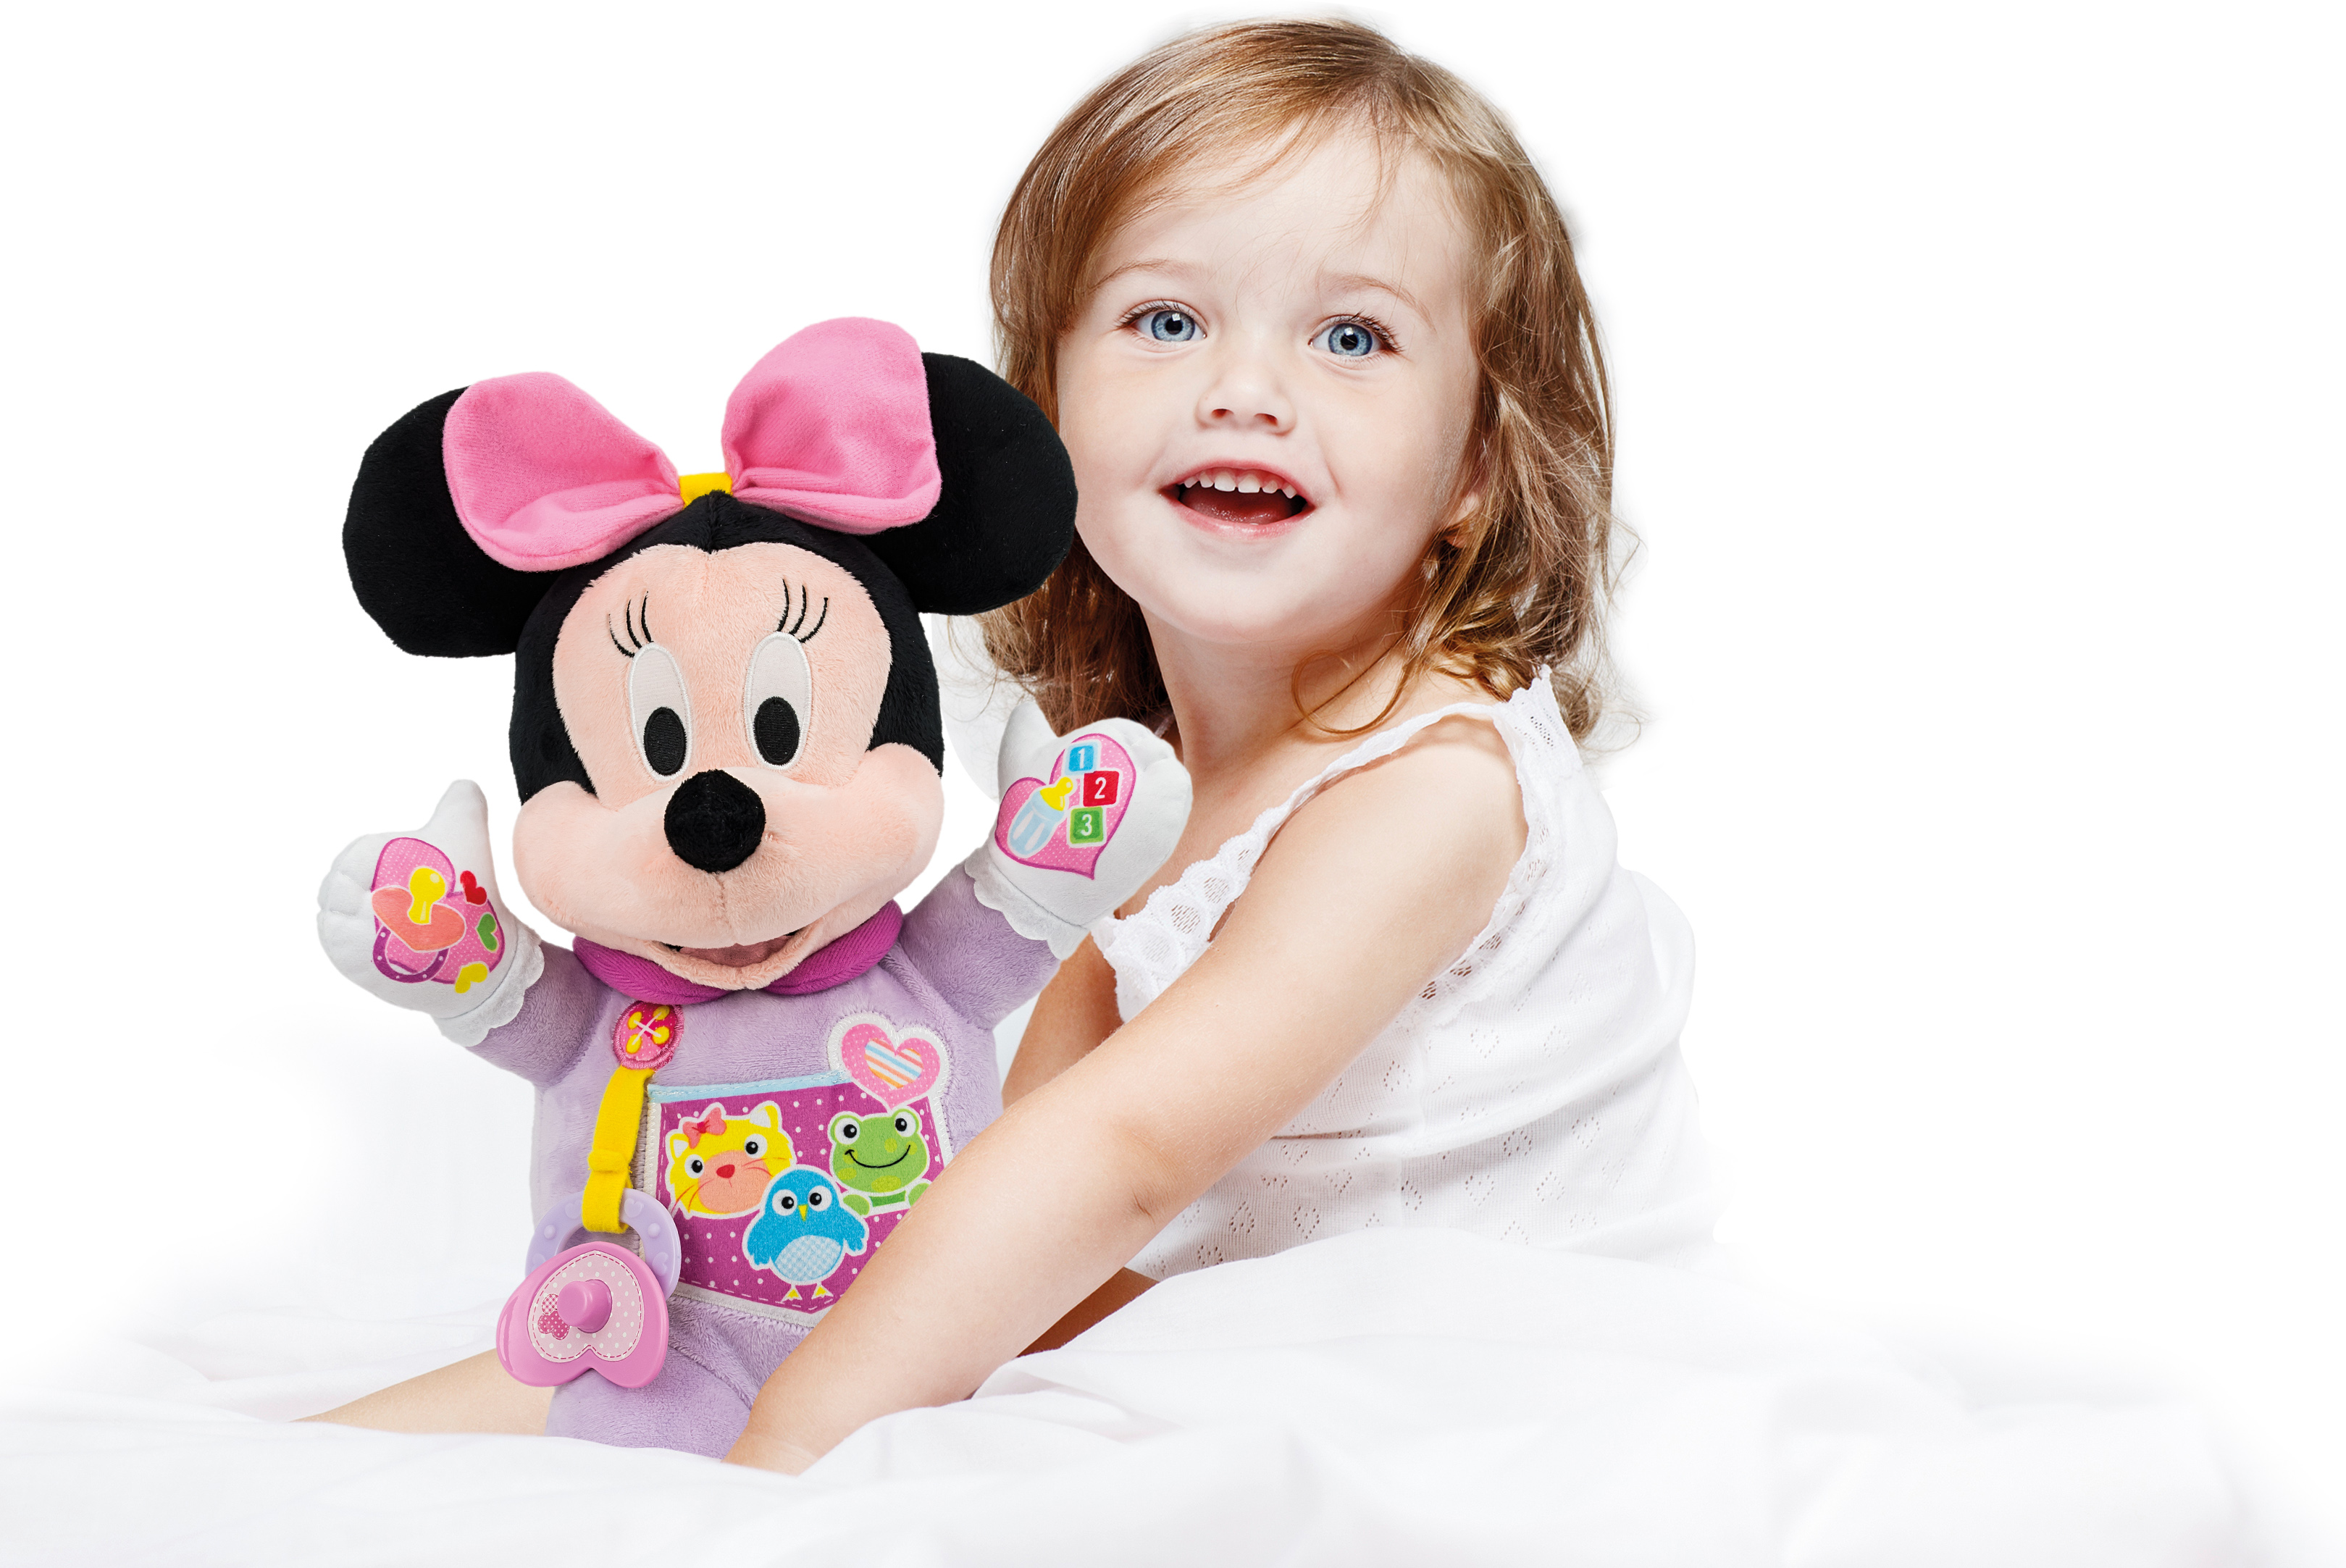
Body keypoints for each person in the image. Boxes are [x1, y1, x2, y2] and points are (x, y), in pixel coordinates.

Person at [724, 17, 1718, 1473]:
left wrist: (778, 1456)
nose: (1246, 389)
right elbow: (1029, 1160)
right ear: (1047, 409)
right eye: (1168, 321)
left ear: (1475, 465)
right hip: (1287, 1352)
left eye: (1353, 337)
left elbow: (1119, 1156)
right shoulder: (1138, 783)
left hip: (1510, 1409)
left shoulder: (1429, 790)